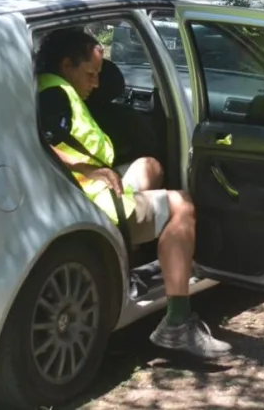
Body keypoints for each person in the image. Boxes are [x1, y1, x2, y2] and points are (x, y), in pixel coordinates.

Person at [35, 27, 231, 360]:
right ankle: (177, 323)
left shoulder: (51, 88)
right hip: (94, 202)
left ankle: (131, 263)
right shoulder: (55, 95)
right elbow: (41, 145)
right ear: (67, 65)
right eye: (91, 74)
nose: (97, 83)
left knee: (150, 166)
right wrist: (89, 170)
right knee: (182, 204)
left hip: (96, 190)